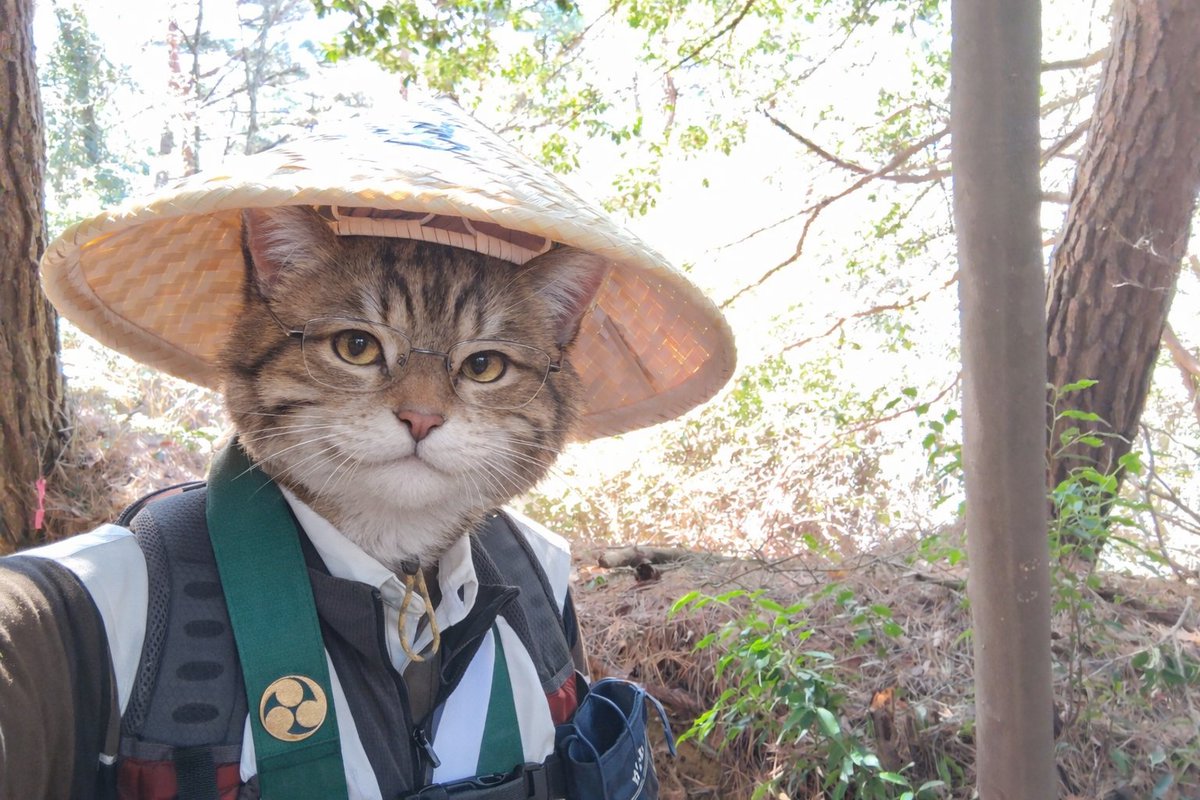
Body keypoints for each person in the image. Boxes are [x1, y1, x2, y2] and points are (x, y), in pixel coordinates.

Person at [0, 96, 734, 799]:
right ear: (271, 281)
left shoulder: (539, 574)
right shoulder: (91, 613)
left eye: (483, 365)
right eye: (357, 344)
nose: (422, 409)